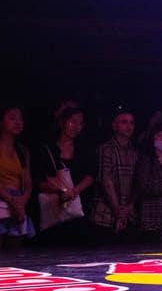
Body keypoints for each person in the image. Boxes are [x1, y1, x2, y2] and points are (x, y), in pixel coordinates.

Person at [36, 107, 94, 246]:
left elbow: (91, 175)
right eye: (73, 122)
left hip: (79, 208)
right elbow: (38, 180)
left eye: (80, 123)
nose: (76, 127)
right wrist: (59, 190)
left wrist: (74, 191)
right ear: (62, 122)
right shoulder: (47, 148)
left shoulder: (84, 148)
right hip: (54, 207)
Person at [89, 107, 139, 244]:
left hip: (128, 215)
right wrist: (118, 210)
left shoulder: (135, 152)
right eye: (124, 122)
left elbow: (137, 182)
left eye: (131, 122)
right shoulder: (105, 149)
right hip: (105, 215)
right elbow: (106, 181)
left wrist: (128, 208)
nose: (129, 126)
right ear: (114, 126)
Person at [0, 103, 36, 248]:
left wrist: (21, 201)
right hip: (2, 198)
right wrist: (11, 200)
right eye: (12, 118)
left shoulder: (22, 150)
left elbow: (27, 180)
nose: (17, 122)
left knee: (15, 248)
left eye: (20, 119)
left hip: (18, 201)